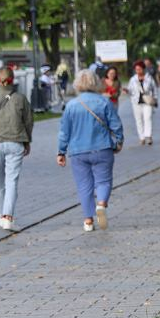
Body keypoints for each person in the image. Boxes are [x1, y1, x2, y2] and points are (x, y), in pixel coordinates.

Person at [57, 70, 124, 232]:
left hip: (78, 151)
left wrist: (61, 151)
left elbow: (64, 131)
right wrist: (119, 141)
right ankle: (101, 204)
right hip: (102, 148)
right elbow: (116, 124)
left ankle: (88, 221)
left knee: (84, 186)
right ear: (96, 82)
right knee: (104, 181)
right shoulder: (104, 102)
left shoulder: (71, 106)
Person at [0, 67, 33, 231]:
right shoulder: (21, 99)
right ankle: (7, 216)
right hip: (16, 143)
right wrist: (27, 141)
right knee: (12, 181)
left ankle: (2, 214)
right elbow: (29, 121)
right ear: (13, 79)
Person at [126, 60, 158, 145]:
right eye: (136, 69)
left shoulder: (149, 77)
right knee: (138, 120)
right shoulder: (133, 79)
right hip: (136, 102)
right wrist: (127, 91)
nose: (138, 71)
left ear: (143, 69)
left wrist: (155, 98)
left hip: (147, 101)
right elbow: (130, 90)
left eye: (140, 69)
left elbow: (154, 88)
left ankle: (148, 136)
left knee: (148, 118)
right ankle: (142, 137)